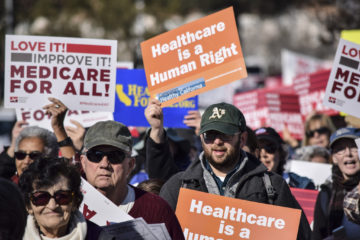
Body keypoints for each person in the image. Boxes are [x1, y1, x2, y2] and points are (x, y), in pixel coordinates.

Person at [159, 102, 311, 240]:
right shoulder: (177, 187)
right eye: (210, 135)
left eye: (225, 134)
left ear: (243, 139)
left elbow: (301, 236)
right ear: (201, 138)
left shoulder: (273, 186)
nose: (217, 141)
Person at [80, 120, 185, 240]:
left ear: (130, 165)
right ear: (83, 162)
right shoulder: (67, 206)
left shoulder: (156, 209)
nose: (104, 164)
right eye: (95, 155)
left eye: (115, 156)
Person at [19, 157, 113, 239]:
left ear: (75, 202)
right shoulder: (13, 235)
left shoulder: (99, 237)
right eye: (41, 198)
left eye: (62, 196)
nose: (52, 206)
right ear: (28, 206)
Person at [0, 98, 76, 184]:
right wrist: (14, 144)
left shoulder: (58, 189)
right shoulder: (9, 189)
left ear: (51, 158)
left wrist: (58, 128)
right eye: (20, 155)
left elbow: (73, 173)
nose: (26, 161)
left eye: (34, 155)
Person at [312, 127, 360, 240]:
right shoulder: (326, 193)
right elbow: (317, 235)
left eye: (354, 147)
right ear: (333, 158)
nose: (348, 153)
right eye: (341, 149)